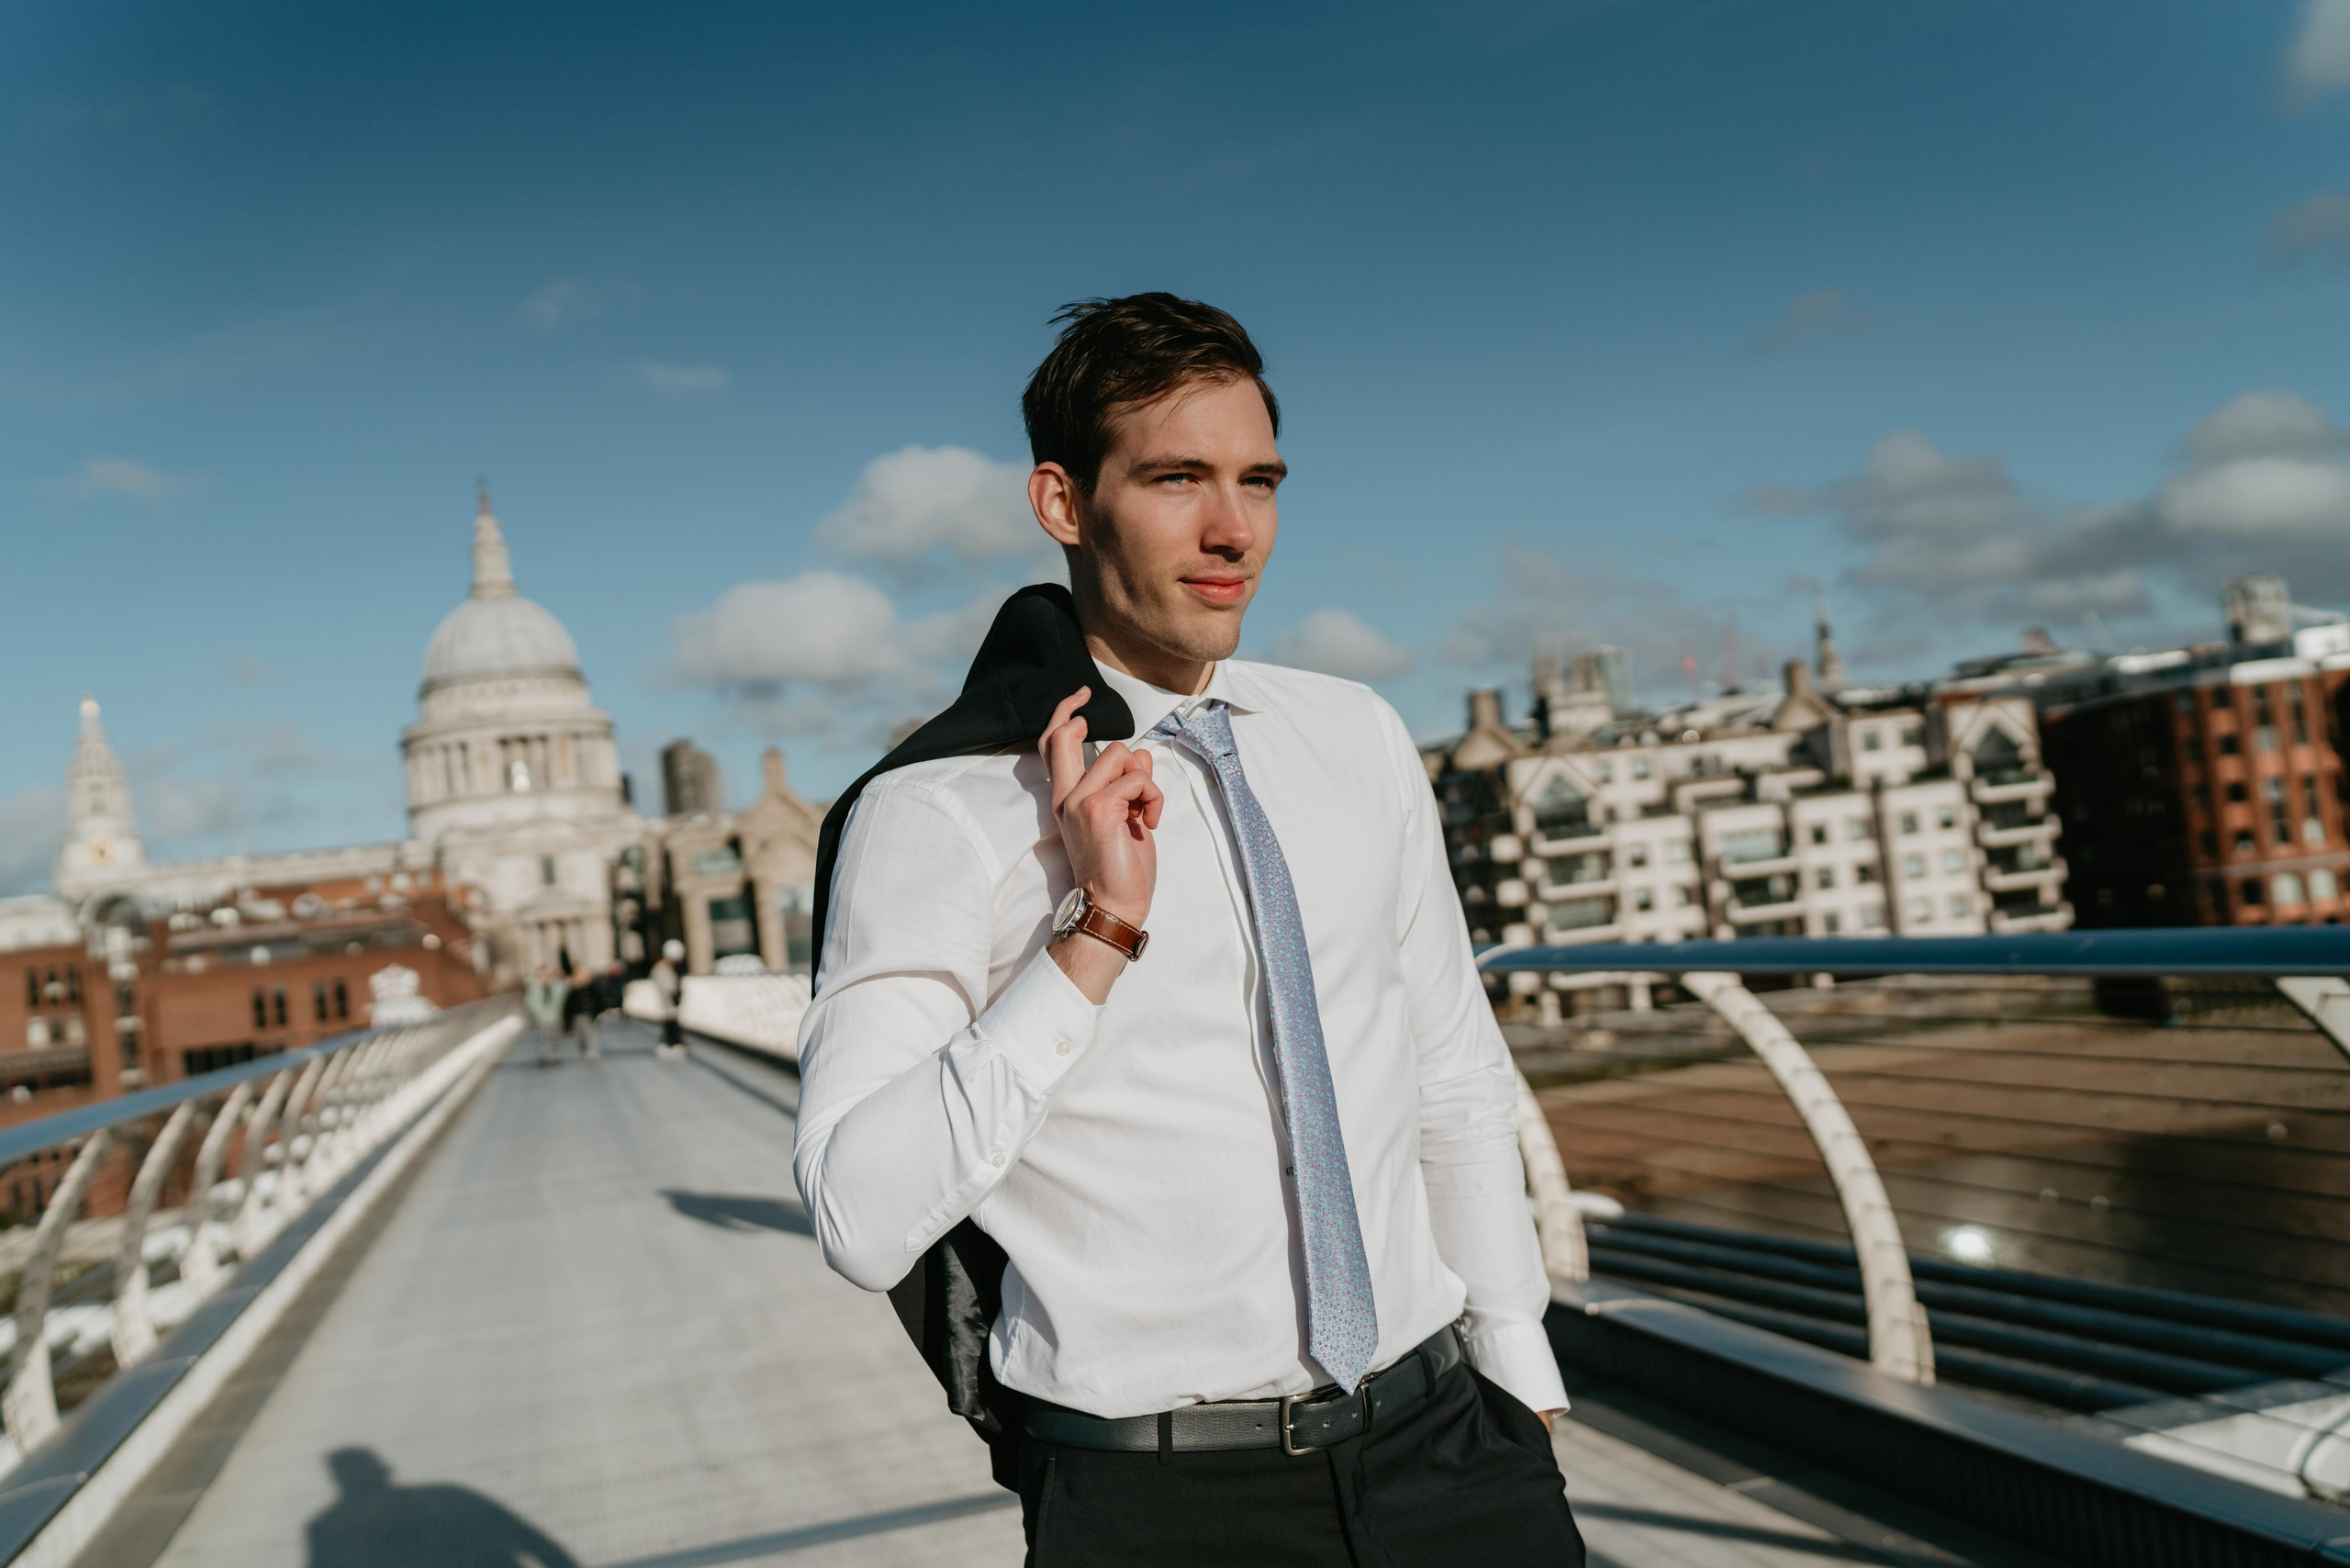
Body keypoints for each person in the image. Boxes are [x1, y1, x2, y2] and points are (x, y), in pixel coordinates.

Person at [795, 295, 1581, 1566]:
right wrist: (1095, 931)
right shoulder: (939, 809)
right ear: (1063, 503)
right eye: (1176, 479)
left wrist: (1521, 1378)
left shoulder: (1358, 734)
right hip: (1162, 1507)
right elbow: (856, 1214)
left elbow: (1452, 1071)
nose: (1234, 532)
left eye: (1257, 481)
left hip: (1453, 1453)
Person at [523, 965, 567, 1068]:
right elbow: (530, 1001)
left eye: (547, 974)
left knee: (555, 1035)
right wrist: (538, 1012)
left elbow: (562, 994)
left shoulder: (556, 985)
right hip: (541, 1017)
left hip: (555, 1015)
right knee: (542, 1037)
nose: (546, 976)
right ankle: (544, 1055)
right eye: (543, 974)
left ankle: (557, 1053)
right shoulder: (534, 987)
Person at [649, 939, 686, 1058]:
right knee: (670, 1024)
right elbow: (669, 988)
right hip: (666, 1005)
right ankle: (670, 1044)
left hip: (666, 1005)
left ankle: (669, 1044)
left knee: (670, 1024)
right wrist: (676, 995)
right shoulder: (662, 969)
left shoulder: (661, 968)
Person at [564, 965, 600, 1061]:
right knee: (581, 1032)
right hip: (578, 1014)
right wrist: (567, 1022)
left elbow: (598, 999)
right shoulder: (574, 989)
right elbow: (568, 1005)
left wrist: (598, 1011)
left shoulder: (591, 987)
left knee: (590, 1031)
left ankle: (591, 1049)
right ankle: (584, 1048)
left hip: (590, 1013)